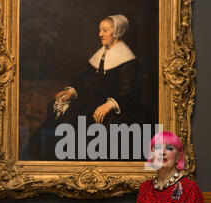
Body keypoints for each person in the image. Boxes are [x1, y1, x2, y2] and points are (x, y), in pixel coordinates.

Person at [27, 14, 145, 160]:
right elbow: (85, 78)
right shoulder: (102, 53)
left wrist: (109, 105)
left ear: (116, 32)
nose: (100, 34)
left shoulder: (128, 60)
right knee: (56, 118)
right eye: (100, 30)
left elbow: (130, 92)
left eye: (105, 30)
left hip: (113, 108)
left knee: (79, 134)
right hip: (91, 101)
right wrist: (70, 91)